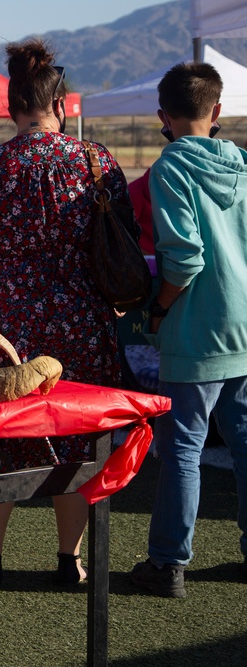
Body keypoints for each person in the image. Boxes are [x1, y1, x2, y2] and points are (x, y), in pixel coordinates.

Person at [0, 39, 127, 587]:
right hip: (81, 315)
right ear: (61, 104)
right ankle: (70, 560)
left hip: (3, 321)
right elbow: (118, 243)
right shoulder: (95, 161)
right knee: (78, 435)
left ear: (12, 107)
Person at [129, 61, 247, 599]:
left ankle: (168, 563)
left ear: (163, 116)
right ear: (218, 110)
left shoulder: (170, 167)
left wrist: (158, 310)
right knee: (244, 442)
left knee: (182, 448)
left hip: (197, 329)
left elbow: (184, 258)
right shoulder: (243, 164)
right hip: (245, 324)